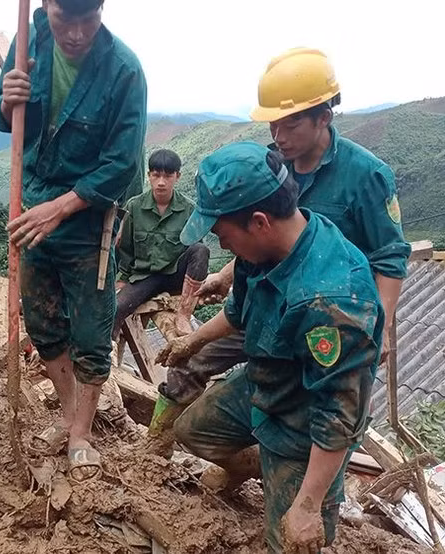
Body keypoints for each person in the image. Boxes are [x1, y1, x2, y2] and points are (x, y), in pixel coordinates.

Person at [156, 142, 383, 553]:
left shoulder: (331, 302)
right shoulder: (261, 250)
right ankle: (265, 467)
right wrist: (192, 340)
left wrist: (309, 505)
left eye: (223, 234)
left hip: (306, 422)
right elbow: (240, 312)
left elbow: (340, 413)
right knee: (192, 430)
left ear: (258, 221)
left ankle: (297, 486)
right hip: (266, 383)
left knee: (293, 540)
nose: (223, 246)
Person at [172, 47, 411, 412]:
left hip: (324, 313)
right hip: (265, 304)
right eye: (273, 124)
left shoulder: (366, 175)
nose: (279, 135)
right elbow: (262, 235)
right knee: (192, 362)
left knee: (311, 408)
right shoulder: (269, 166)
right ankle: (157, 450)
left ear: (323, 117)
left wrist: (379, 324)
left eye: (291, 124)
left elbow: (390, 256)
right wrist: (225, 274)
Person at [0, 0, 147, 482]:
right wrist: (6, 99)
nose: (76, 33)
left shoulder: (124, 70)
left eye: (89, 19)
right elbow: (5, 120)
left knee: (90, 331)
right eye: (65, 19)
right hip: (32, 202)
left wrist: (60, 209)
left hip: (86, 218)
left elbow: (122, 164)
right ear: (46, 7)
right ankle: (65, 413)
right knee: (42, 321)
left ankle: (83, 431)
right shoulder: (30, 35)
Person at [114, 149, 209, 338]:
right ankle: (108, 354)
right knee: (115, 310)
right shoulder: (134, 206)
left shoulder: (189, 208)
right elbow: (125, 249)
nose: (161, 182)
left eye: (168, 176)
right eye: (156, 175)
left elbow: (197, 256)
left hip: (176, 274)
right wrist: (122, 279)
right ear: (149, 176)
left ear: (177, 176)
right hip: (145, 277)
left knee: (201, 250)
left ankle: (184, 314)